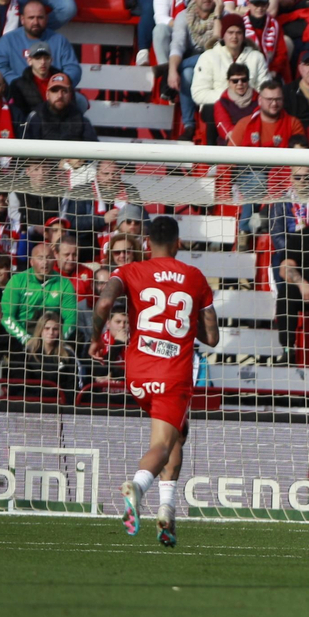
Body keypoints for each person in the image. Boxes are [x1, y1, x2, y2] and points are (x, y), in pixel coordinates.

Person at [90, 216, 219, 548]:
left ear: (147, 244)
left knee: (178, 434)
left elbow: (105, 302)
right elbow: (213, 337)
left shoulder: (131, 271)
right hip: (172, 372)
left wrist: (94, 338)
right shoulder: (194, 277)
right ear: (178, 243)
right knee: (162, 445)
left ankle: (167, 511)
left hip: (137, 372)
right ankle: (138, 486)